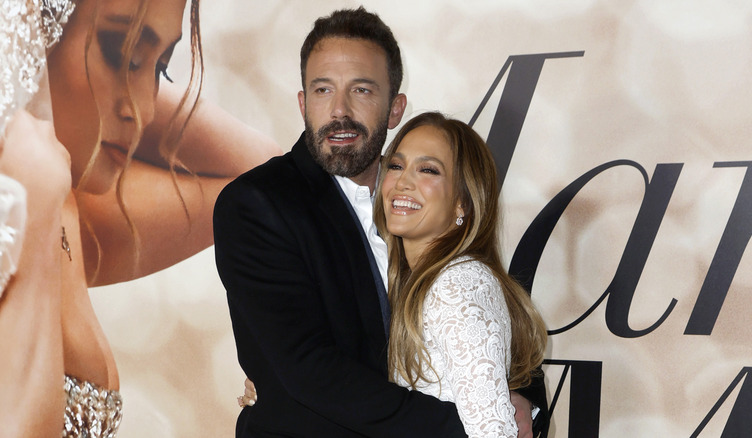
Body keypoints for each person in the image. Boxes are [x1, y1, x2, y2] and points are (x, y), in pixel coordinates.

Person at [214, 7, 547, 438]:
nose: (339, 110)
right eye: (322, 90)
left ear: (394, 109)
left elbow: (486, 326)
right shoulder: (257, 204)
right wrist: (477, 427)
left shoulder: (424, 209)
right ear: (302, 103)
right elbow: (311, 372)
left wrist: (522, 401)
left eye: (362, 90)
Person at [0, 0, 280, 436]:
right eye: (123, 54)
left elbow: (264, 178)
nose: (144, 108)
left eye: (161, 69)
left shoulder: (68, 204)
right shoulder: (25, 194)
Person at [375, 111, 548, 437]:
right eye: (396, 166)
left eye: (427, 169)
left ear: (463, 204)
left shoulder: (459, 284)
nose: (403, 182)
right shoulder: (412, 281)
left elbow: (492, 433)